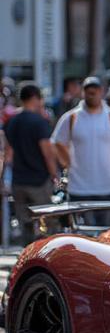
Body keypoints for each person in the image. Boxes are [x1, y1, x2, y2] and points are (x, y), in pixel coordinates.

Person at [52, 75, 110, 206]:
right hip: (78, 188)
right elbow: (58, 141)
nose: (92, 94)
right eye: (88, 91)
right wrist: (67, 162)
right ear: (83, 92)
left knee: (107, 226)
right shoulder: (71, 117)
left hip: (106, 186)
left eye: (95, 90)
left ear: (102, 92)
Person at [4, 82, 58, 243]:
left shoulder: (12, 122)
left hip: (18, 181)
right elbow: (47, 152)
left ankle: (26, 257)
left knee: (25, 225)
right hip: (39, 181)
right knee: (47, 223)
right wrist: (55, 174)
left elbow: (8, 153)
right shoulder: (39, 122)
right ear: (35, 98)